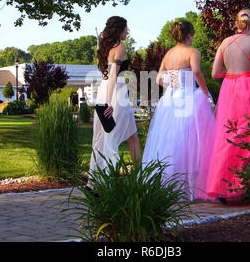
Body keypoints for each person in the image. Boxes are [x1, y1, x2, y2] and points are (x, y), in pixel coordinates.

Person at [196, 9, 250, 204]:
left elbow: (214, 73)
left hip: (228, 89)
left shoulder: (225, 43)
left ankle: (220, 187)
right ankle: (249, 185)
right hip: (247, 88)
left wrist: (230, 71)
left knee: (226, 135)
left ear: (236, 23)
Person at [142, 21, 215, 201]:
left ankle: (169, 184)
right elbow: (197, 72)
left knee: (170, 140)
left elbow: (159, 78)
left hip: (171, 99)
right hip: (188, 98)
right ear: (189, 34)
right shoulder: (193, 52)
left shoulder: (169, 54)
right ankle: (189, 185)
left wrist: (173, 85)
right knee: (189, 141)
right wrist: (205, 92)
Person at [88, 16, 141, 184]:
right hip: (115, 94)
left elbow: (108, 76)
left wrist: (105, 98)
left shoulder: (105, 49)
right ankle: (139, 178)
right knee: (125, 137)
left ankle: (94, 181)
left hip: (105, 90)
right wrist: (109, 101)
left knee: (104, 137)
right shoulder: (119, 48)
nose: (128, 31)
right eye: (126, 28)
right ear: (119, 30)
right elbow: (113, 76)